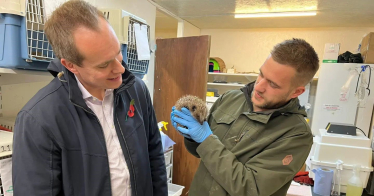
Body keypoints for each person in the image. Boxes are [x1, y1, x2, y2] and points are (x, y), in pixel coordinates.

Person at [12, 1, 167, 195]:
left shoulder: (136, 90)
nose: (120, 69)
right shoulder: (38, 119)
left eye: (118, 52)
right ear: (71, 65)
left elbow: (154, 155)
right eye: (104, 65)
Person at [171, 38, 319, 196]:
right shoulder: (230, 99)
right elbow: (201, 153)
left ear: (297, 92)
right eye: (261, 74)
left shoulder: (296, 135)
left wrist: (206, 140)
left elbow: (249, 188)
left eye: (273, 84)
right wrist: (192, 137)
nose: (259, 86)